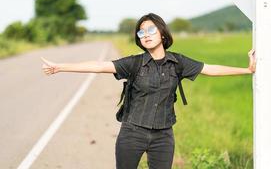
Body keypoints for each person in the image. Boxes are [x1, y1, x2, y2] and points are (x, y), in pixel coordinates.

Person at [41, 13, 256, 169]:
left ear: (162, 34)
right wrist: (60, 67)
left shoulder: (178, 62)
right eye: (141, 32)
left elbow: (210, 69)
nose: (146, 34)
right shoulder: (133, 64)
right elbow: (99, 66)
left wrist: (247, 70)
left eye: (151, 29)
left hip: (163, 136)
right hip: (132, 132)